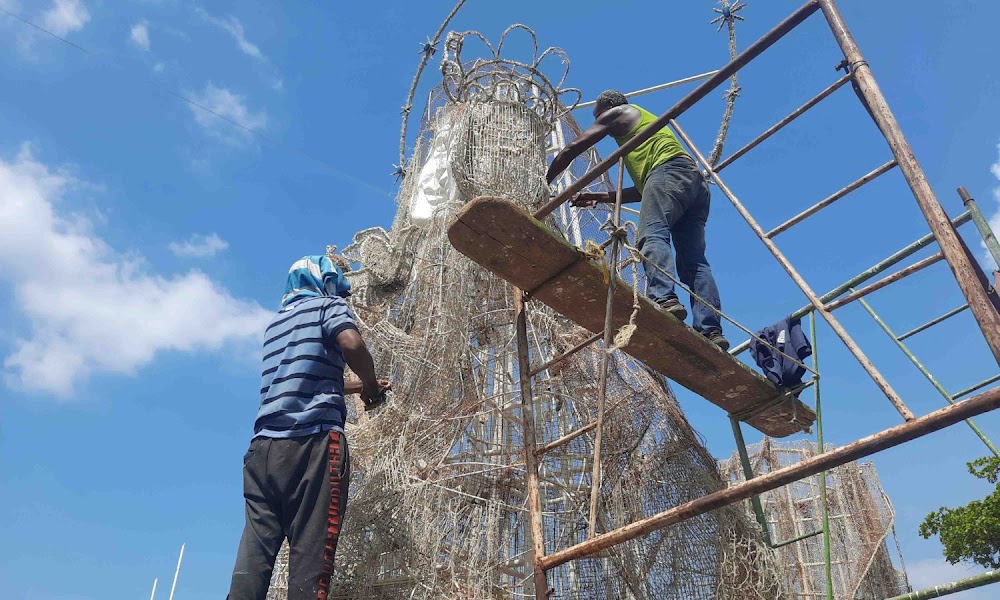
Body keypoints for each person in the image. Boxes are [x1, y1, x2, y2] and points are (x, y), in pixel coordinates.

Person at [228, 255, 391, 599]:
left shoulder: (277, 323)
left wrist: (360, 385)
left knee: (254, 556)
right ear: (325, 281)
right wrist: (372, 388)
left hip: (263, 451)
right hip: (313, 444)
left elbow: (301, 380)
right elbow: (352, 344)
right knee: (311, 557)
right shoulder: (327, 306)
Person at [546, 90, 729, 350]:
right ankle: (711, 330)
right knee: (694, 262)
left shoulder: (618, 112)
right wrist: (600, 196)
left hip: (668, 173)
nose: (600, 123)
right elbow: (647, 188)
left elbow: (573, 148)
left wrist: (544, 182)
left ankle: (664, 299)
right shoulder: (644, 129)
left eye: (598, 116)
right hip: (693, 183)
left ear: (609, 106)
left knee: (652, 235)